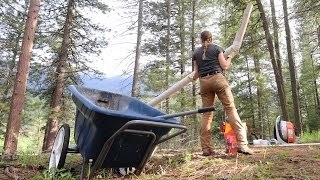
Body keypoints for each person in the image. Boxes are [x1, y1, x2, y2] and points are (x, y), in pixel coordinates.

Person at [192, 30, 254, 156]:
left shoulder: (196, 53)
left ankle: (206, 149)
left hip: (204, 82)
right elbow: (224, 66)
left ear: (201, 39)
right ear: (211, 38)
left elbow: (196, 75)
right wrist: (229, 57)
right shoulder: (216, 48)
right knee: (230, 109)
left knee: (206, 115)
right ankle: (242, 144)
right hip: (218, 79)